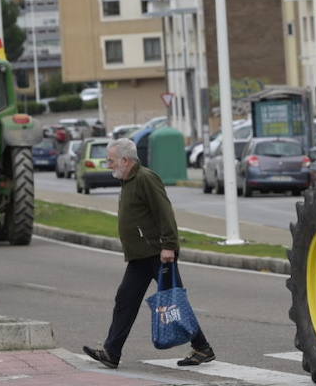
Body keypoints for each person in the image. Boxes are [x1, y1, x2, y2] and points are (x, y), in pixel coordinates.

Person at [83, 137, 216, 370]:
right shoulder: (127, 180)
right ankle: (111, 352)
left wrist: (168, 245)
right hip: (140, 257)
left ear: (125, 160)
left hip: (157, 253)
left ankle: (202, 347)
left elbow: (165, 212)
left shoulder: (146, 178)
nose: (109, 164)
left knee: (174, 302)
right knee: (125, 300)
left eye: (111, 160)